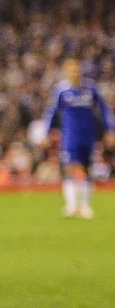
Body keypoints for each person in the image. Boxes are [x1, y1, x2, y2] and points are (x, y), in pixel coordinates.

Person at [43, 58, 112, 219]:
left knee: (88, 169)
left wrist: (110, 130)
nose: (75, 72)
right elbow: (51, 112)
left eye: (77, 69)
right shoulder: (61, 91)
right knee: (70, 169)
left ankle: (86, 206)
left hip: (88, 136)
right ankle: (72, 205)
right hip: (70, 137)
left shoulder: (90, 89)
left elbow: (104, 110)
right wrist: (47, 133)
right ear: (67, 72)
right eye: (71, 70)